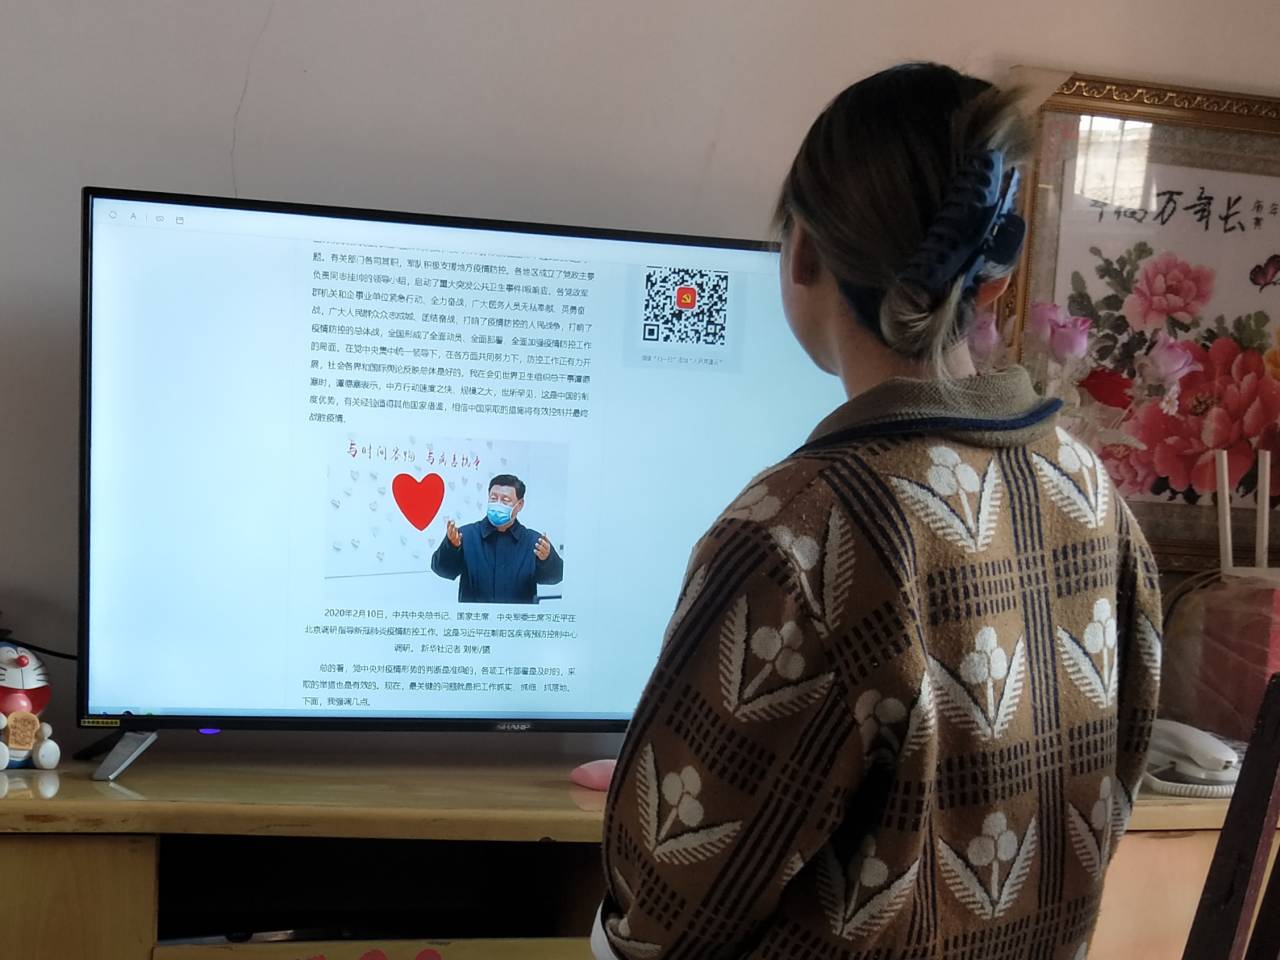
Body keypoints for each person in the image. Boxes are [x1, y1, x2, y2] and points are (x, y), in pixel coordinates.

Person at [592, 63, 1160, 959]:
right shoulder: (1090, 490)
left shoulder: (800, 530)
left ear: (802, 254)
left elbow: (662, 903)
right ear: (992, 283)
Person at [430, 474, 563, 603]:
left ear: (520, 504)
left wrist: (547, 560)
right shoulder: (466, 535)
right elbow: (442, 571)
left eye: (505, 500)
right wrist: (451, 547)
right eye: (493, 498)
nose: (498, 504)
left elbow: (556, 577)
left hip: (517, 617)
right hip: (476, 618)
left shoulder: (534, 542)